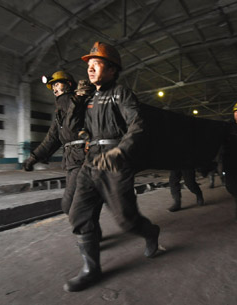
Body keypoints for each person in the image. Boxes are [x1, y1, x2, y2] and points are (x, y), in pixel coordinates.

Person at [64, 42, 160, 292]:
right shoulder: (91, 98)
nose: (91, 70)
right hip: (91, 161)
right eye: (89, 66)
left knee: (126, 220)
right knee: (79, 214)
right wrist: (78, 99)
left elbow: (137, 124)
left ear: (112, 70)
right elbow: (74, 126)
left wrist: (121, 150)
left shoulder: (121, 93)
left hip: (115, 161)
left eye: (97, 65)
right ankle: (91, 269)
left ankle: (150, 232)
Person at [22, 71, 95, 216]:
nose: (54, 89)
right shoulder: (60, 114)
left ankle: (88, 236)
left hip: (84, 157)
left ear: (68, 85)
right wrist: (33, 158)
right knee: (80, 201)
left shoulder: (81, 102)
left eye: (57, 84)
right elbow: (51, 139)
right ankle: (91, 233)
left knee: (70, 204)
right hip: (71, 160)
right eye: (52, 86)